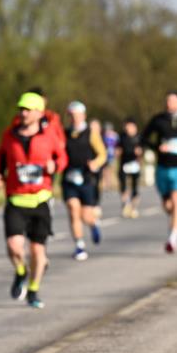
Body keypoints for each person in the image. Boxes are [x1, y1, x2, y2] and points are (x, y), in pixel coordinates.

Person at [0, 91, 67, 309]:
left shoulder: (48, 135)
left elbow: (61, 157)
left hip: (40, 200)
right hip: (16, 199)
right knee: (14, 247)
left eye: (27, 109)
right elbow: (1, 156)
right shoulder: (10, 135)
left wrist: (56, 166)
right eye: (21, 109)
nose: (23, 113)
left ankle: (33, 289)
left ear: (38, 112)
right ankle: (20, 271)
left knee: (38, 252)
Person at [142, 90, 177, 253]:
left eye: (173, 101)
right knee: (168, 205)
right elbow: (143, 137)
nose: (169, 104)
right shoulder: (158, 120)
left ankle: (173, 238)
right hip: (163, 167)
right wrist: (157, 148)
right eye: (167, 101)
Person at [62, 101, 106, 261]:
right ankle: (79, 246)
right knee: (73, 210)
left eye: (78, 115)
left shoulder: (91, 133)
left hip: (86, 178)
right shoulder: (64, 134)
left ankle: (93, 224)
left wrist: (95, 163)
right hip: (69, 178)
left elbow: (102, 154)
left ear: (83, 116)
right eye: (72, 116)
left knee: (86, 216)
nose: (75, 118)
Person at [117, 118, 143, 218]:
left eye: (130, 126)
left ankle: (134, 208)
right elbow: (118, 147)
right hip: (124, 164)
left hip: (135, 164)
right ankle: (125, 205)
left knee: (134, 187)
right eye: (126, 126)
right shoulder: (122, 136)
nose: (128, 128)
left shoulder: (139, 137)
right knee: (123, 185)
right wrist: (118, 151)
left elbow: (142, 149)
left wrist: (140, 152)